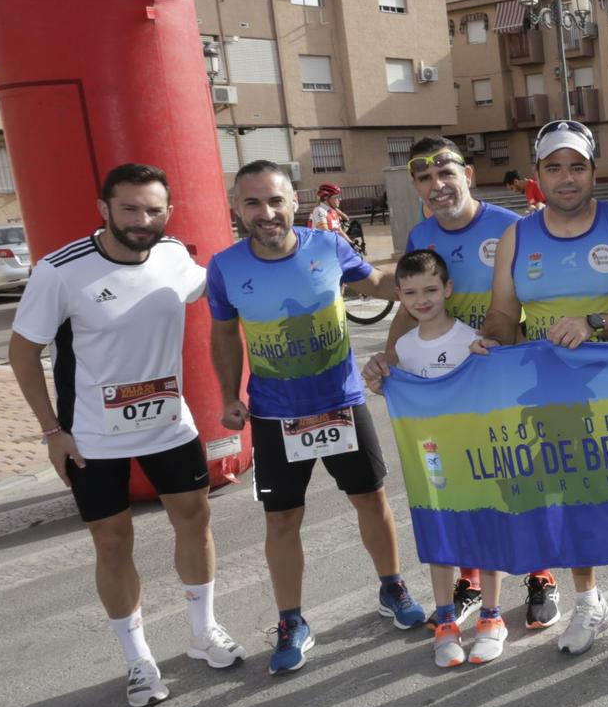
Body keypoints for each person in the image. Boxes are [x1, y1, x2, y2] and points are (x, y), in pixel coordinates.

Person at [8, 163, 241, 707]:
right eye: (131, 208)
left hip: (168, 424)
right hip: (92, 436)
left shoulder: (173, 257)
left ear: (169, 212)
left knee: (195, 521)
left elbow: (222, 289)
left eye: (154, 209)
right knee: (112, 544)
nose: (143, 219)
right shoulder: (60, 271)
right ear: (104, 209)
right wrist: (51, 431)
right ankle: (138, 660)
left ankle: (202, 632)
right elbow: (23, 352)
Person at [479, 121, 608, 662]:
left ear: (594, 170)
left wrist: (595, 322)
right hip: (552, 396)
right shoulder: (518, 237)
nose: (566, 179)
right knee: (573, 499)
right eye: (554, 167)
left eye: (577, 166)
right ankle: (589, 600)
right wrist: (489, 340)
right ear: (538, 176)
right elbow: (502, 312)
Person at [208, 161, 414, 675]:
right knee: (281, 519)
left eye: (275, 200)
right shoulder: (225, 266)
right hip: (275, 413)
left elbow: (379, 285)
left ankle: (392, 587)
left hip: (341, 401)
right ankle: (291, 620)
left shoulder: (328, 246)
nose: (266, 212)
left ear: (293, 202)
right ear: (237, 207)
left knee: (371, 498)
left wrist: (435, 281)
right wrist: (229, 395)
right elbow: (223, 334)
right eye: (252, 202)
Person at [367, 136, 557, 663]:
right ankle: (469, 585)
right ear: (417, 187)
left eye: (446, 173)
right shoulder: (422, 233)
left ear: (468, 174)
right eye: (425, 179)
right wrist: (390, 362)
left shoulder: (510, 227)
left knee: (515, 486)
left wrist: (501, 354)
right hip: (447, 385)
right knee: (458, 486)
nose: (437, 185)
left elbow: (526, 298)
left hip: (501, 379)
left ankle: (541, 578)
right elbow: (410, 306)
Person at [374, 248, 481, 666]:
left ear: (448, 289)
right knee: (441, 532)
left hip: (472, 455)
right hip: (430, 458)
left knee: (480, 526)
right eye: (412, 292)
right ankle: (448, 619)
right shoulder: (402, 347)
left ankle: (490, 615)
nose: (423, 300)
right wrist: (381, 377)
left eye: (432, 290)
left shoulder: (470, 339)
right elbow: (390, 386)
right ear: (399, 295)